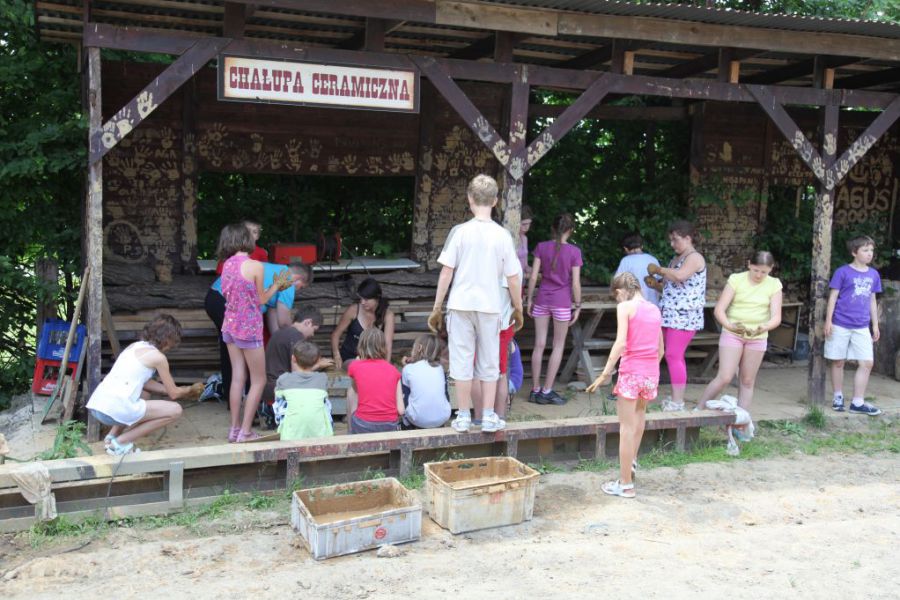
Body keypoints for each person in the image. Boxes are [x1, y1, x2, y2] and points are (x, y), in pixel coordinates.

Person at [428, 174, 524, 434]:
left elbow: (446, 272)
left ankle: (462, 415)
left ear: (470, 199)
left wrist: (437, 307)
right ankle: (489, 415)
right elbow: (513, 277)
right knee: (490, 362)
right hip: (491, 306)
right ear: (495, 201)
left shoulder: (459, 232)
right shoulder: (503, 235)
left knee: (461, 360)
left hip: (460, 305)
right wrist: (518, 307)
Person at [586, 273, 664, 499]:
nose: (617, 301)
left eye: (616, 297)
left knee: (626, 428)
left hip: (631, 373)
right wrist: (648, 368)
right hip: (650, 373)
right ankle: (631, 463)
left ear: (620, 292)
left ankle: (625, 484)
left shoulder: (625, 308)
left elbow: (620, 343)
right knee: (639, 420)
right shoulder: (654, 309)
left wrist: (605, 373)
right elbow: (660, 350)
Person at [218, 223, 290, 443]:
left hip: (229, 325)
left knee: (237, 377)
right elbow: (261, 300)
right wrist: (277, 285)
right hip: (248, 328)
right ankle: (246, 432)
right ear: (246, 240)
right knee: (258, 380)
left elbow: (232, 294)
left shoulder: (227, 264)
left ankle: (234, 429)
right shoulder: (255, 265)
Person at [205, 259, 312, 401]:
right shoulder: (287, 279)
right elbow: (284, 321)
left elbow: (275, 324)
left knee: (229, 352)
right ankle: (250, 399)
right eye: (301, 287)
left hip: (214, 297)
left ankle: (231, 397)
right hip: (225, 300)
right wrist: (297, 338)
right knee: (247, 356)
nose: (297, 291)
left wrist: (279, 340)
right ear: (298, 278)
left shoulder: (274, 272)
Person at [86, 314, 192, 456]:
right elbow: (174, 394)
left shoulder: (134, 346)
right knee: (176, 410)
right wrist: (189, 390)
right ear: (168, 339)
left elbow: (145, 382)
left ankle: (111, 437)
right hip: (114, 411)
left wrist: (167, 390)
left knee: (144, 393)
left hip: (98, 406)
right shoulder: (159, 358)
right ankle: (121, 442)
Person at [696, 251, 783, 412]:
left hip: (757, 336)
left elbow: (776, 317)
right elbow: (719, 310)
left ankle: (741, 419)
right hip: (733, 333)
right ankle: (699, 409)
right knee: (725, 377)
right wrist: (729, 326)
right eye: (755, 270)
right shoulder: (736, 279)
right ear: (749, 264)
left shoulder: (774, 284)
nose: (759, 275)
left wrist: (764, 327)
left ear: (771, 269)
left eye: (764, 272)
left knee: (747, 380)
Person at [647, 220, 706, 412]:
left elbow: (680, 276)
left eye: (675, 240)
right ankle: (673, 398)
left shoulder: (695, 258)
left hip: (685, 316)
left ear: (688, 238)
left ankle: (678, 402)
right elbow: (669, 286)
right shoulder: (675, 259)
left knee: (673, 355)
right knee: (668, 354)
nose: (672, 244)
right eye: (671, 240)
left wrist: (659, 269)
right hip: (669, 314)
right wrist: (655, 284)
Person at [526, 213, 582, 406]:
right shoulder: (574, 252)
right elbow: (575, 283)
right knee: (558, 345)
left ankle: (535, 390)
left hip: (542, 299)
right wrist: (578, 305)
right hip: (562, 302)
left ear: (553, 228)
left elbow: (534, 277)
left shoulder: (541, 247)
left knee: (539, 344)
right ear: (570, 230)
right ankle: (547, 391)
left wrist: (529, 300)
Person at [825, 235, 883, 416]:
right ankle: (838, 396)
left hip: (862, 325)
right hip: (840, 323)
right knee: (838, 361)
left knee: (867, 363)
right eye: (865, 250)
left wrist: (875, 325)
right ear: (854, 252)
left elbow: (872, 300)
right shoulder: (842, 272)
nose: (869, 253)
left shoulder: (874, 274)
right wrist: (828, 321)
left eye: (871, 250)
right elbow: (833, 297)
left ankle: (858, 402)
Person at [261, 306, 331, 428]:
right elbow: (297, 374)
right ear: (308, 322)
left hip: (268, 387)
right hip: (277, 389)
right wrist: (318, 365)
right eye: (314, 329)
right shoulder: (296, 337)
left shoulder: (281, 332)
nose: (313, 334)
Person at [274, 340, 334, 440]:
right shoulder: (322, 378)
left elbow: (277, 397)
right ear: (318, 361)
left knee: (281, 399)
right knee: (325, 402)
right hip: (320, 434)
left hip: (291, 435)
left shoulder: (284, 379)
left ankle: (283, 429)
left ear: (293, 358)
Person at [347, 328, 404, 433]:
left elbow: (356, 390)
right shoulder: (394, 370)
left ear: (361, 346)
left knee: (351, 391)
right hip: (389, 426)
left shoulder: (355, 366)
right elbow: (401, 410)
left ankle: (351, 434)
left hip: (363, 425)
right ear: (383, 347)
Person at [331, 277, 395, 370]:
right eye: (361, 299)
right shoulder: (353, 310)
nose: (362, 302)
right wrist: (336, 355)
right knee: (361, 368)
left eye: (366, 299)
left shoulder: (388, 315)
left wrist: (386, 366)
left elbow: (388, 344)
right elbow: (335, 335)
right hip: (351, 357)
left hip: (375, 359)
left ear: (377, 298)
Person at [400, 334, 451, 429]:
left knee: (404, 390)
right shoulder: (440, 368)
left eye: (413, 347)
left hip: (417, 419)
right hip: (443, 418)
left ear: (419, 348)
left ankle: (406, 423)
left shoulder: (408, 369)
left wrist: (405, 367)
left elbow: (406, 394)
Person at [615, 232, 661, 306]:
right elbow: (660, 281)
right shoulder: (653, 259)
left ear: (625, 248)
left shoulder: (626, 261)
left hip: (634, 305)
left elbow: (617, 282)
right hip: (653, 305)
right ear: (642, 246)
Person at [517, 205, 533, 279]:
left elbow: (525, 265)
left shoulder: (525, 238)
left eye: (529, 223)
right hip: (513, 279)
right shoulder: (510, 238)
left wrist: (534, 270)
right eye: (524, 224)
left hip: (522, 278)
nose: (527, 227)